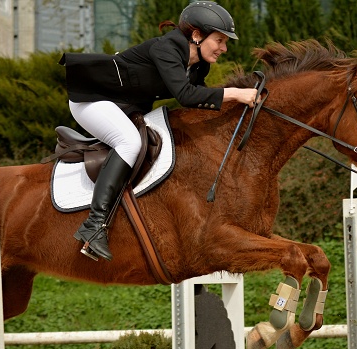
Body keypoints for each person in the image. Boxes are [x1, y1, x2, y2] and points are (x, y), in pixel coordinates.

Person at [60, 1, 259, 261]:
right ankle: (93, 227)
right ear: (197, 35)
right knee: (129, 142)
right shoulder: (166, 48)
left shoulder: (199, 64)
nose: (224, 48)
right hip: (92, 100)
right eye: (220, 40)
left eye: (225, 42)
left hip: (125, 105)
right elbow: (187, 96)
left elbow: (201, 102)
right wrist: (235, 93)